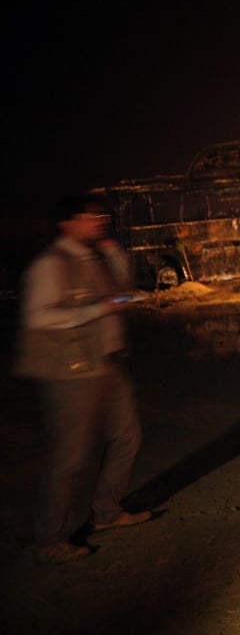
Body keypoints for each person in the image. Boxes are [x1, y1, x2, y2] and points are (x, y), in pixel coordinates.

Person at [14, 193, 152, 564]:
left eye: (100, 217)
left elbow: (120, 287)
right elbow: (38, 318)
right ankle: (50, 539)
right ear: (68, 222)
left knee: (127, 438)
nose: (99, 222)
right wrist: (95, 310)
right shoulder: (50, 265)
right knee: (70, 458)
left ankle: (106, 513)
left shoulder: (95, 256)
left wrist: (115, 259)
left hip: (107, 365)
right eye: (91, 217)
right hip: (70, 372)